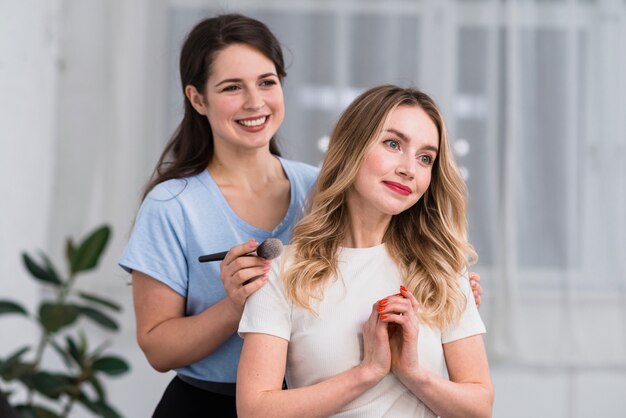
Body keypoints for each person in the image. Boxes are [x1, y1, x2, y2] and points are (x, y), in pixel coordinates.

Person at [119, 13, 483, 417]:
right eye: (232, 87)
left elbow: (372, 257)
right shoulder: (172, 206)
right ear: (197, 99)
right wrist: (236, 304)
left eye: (267, 82)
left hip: (307, 395)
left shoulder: (320, 187)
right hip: (210, 402)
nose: (254, 102)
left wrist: (446, 291)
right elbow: (157, 347)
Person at [237, 85, 494, 418]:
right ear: (352, 146)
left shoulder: (442, 272)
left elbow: (479, 408)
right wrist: (368, 372)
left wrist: (413, 373)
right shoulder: (283, 272)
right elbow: (255, 411)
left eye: (425, 158)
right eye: (392, 144)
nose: (409, 169)